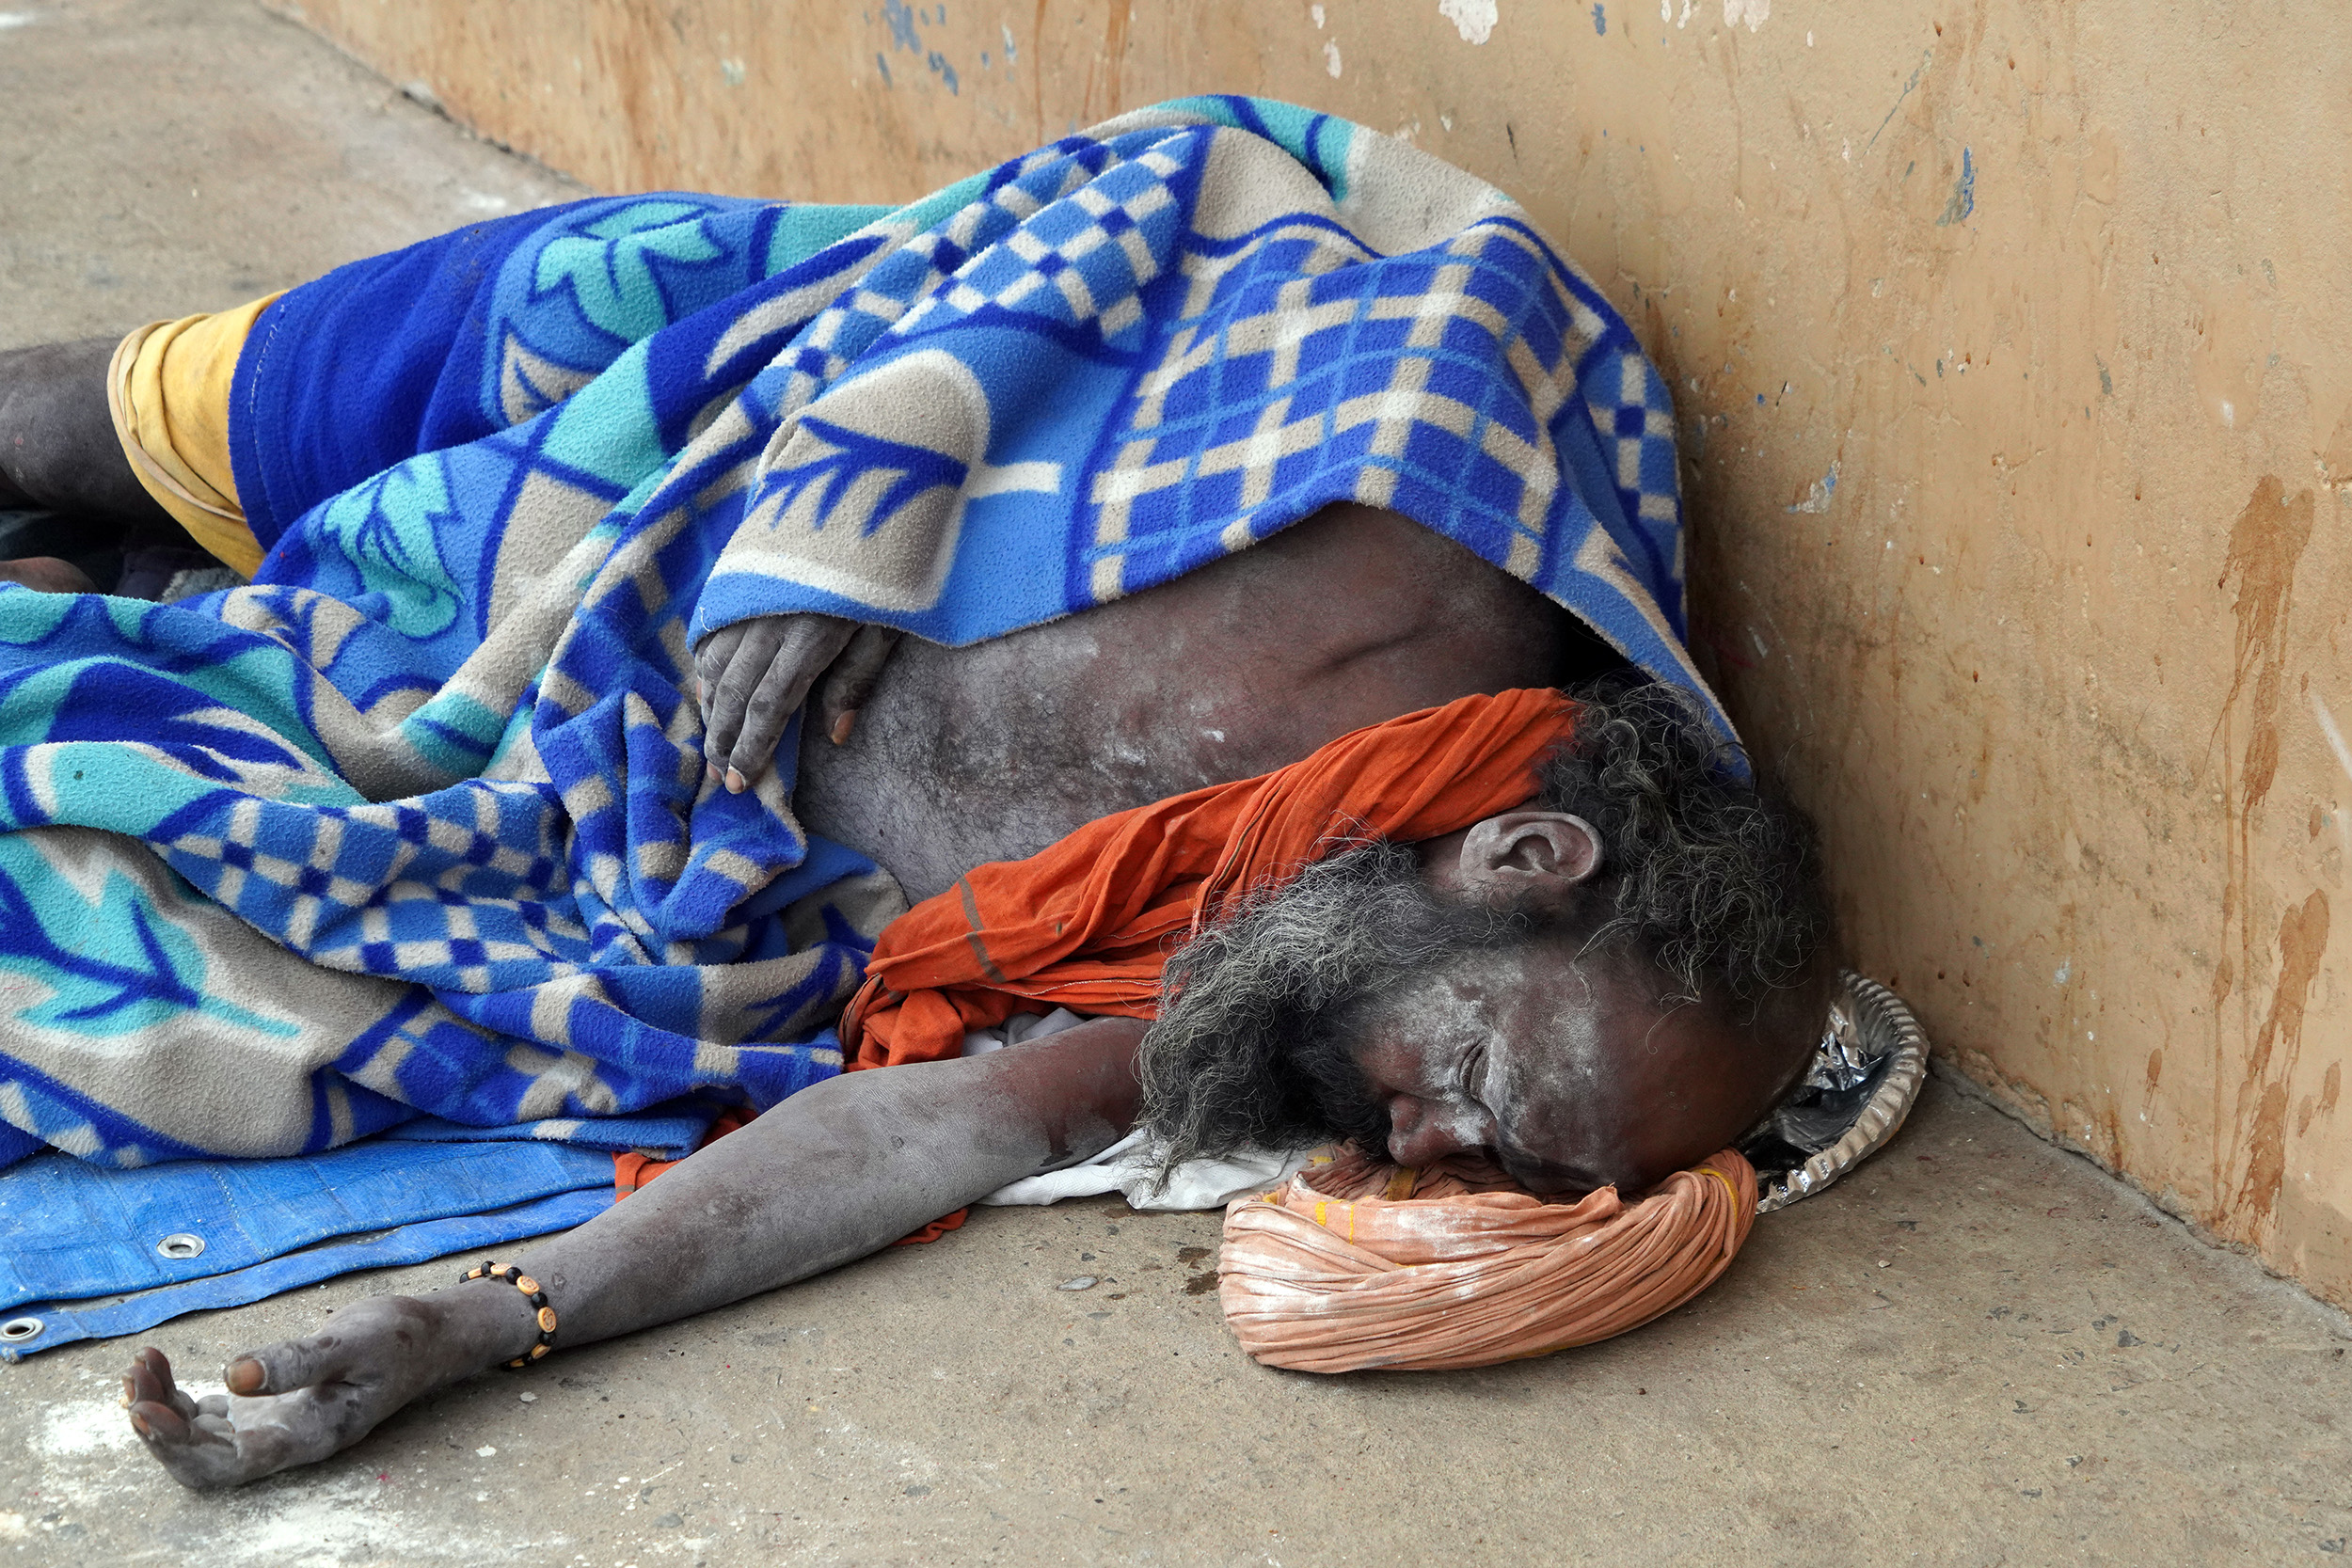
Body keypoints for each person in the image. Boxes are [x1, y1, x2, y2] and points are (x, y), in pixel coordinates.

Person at [0, 103, 1834, 1488]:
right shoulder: (1419, 557)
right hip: (635, 417)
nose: (1428, 1155)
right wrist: (835, 512)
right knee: (78, 430)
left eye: (1504, 1176)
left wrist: (499, 1315)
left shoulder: (1277, 981)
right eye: (1488, 1096)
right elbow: (1180, 185)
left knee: (126, 755)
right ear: (1521, 855)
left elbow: (939, 1130)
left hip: (543, 757)